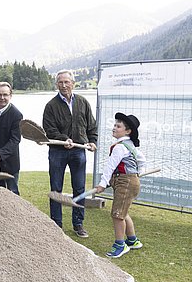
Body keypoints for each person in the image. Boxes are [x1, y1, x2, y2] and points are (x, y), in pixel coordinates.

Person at [43, 70, 98, 237]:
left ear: (73, 83)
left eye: (67, 82)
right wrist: (63, 139)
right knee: (56, 188)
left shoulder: (82, 102)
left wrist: (92, 141)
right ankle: (56, 224)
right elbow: (49, 129)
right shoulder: (51, 106)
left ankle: (78, 223)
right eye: (60, 82)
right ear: (56, 85)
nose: (64, 85)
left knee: (79, 188)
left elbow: (91, 126)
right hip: (58, 152)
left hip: (78, 152)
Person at [93, 113, 147, 258]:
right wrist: (138, 172)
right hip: (129, 181)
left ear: (128, 131)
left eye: (118, 126)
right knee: (123, 211)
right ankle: (132, 241)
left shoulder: (119, 147)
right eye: (115, 125)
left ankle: (120, 244)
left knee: (117, 215)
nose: (114, 128)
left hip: (126, 182)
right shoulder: (130, 145)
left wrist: (102, 184)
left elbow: (110, 167)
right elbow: (142, 161)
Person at [0, 82, 23, 194]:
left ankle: (17, 212)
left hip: (10, 161)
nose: (2, 98)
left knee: (12, 192)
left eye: (5, 95)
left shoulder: (16, 115)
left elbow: (15, 140)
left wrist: (0, 154)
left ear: (10, 96)